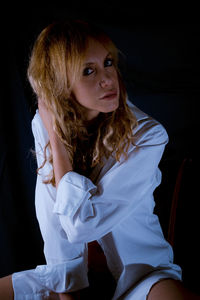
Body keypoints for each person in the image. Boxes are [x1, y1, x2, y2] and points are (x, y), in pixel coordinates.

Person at [0, 19, 199, 300]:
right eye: (88, 71)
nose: (108, 79)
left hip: (141, 276)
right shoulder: (42, 122)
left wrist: (55, 139)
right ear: (61, 85)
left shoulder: (148, 136)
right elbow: (53, 221)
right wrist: (70, 292)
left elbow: (81, 226)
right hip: (71, 275)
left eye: (108, 62)